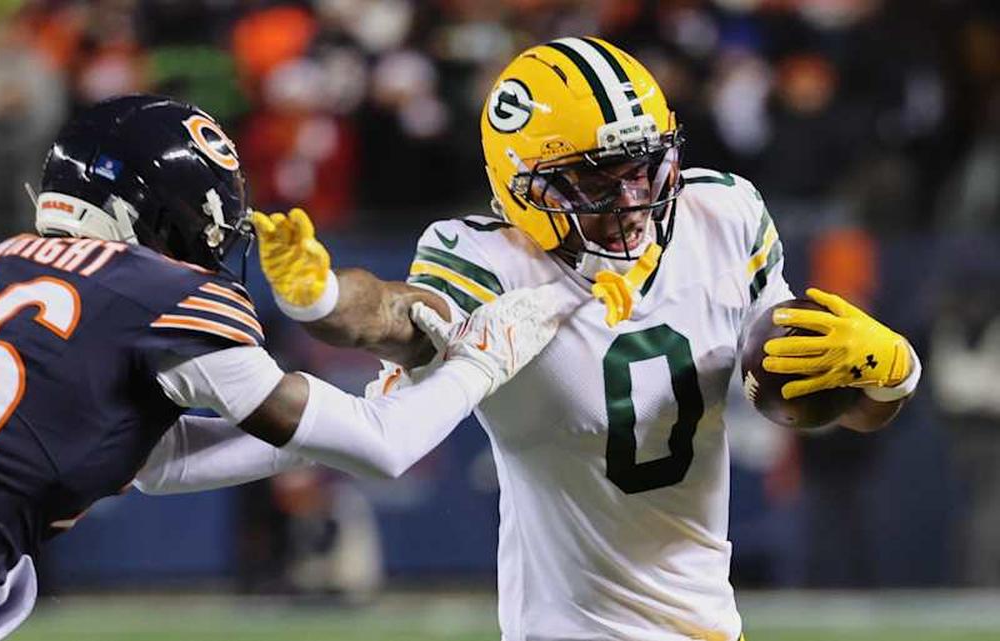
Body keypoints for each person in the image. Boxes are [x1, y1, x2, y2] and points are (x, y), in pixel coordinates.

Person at [245, 38, 923, 641]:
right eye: (596, 178)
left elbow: (809, 397)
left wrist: (891, 374)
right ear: (521, 187)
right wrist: (324, 296)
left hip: (710, 626)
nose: (630, 199)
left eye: (641, 167)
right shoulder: (492, 261)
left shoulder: (724, 216)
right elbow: (398, 316)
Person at [0, 95, 568, 641]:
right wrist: (482, 360)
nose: (210, 246)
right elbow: (383, 444)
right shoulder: (156, 294)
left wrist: (339, 415)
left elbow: (152, 459)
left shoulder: (1, 266)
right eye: (202, 224)